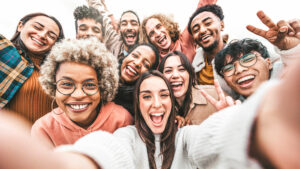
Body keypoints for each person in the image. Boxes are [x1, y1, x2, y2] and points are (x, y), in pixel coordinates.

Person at [2, 41, 300, 168]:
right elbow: (108, 149)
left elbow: (208, 141)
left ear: (174, 103)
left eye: (163, 94)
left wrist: (255, 133)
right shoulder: (126, 134)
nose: (156, 102)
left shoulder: (187, 135)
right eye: (146, 95)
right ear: (137, 105)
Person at [31, 38, 133, 148]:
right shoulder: (43, 129)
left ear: (103, 87)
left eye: (89, 85)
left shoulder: (121, 119)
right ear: (53, 85)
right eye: (67, 84)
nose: (78, 95)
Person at [0, 12, 64, 123]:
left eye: (51, 36)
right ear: (21, 26)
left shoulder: (57, 73)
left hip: (45, 139)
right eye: (37, 27)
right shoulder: (4, 50)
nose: (43, 35)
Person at [141, 0, 217, 63]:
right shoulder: (154, 62)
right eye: (151, 33)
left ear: (167, 26)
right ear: (149, 41)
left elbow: (202, 7)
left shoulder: (184, 40)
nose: (157, 33)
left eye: (159, 26)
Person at [158, 51, 219, 125]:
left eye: (181, 69)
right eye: (168, 71)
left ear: (190, 75)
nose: (175, 75)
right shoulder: (158, 107)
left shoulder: (214, 96)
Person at [114, 43, 159, 116]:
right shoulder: (101, 77)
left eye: (146, 64)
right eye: (135, 55)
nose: (137, 63)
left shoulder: (140, 106)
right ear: (126, 56)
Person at [188, 4, 226, 85]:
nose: (202, 31)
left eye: (208, 23)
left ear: (222, 25)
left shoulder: (240, 55)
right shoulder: (193, 61)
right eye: (196, 30)